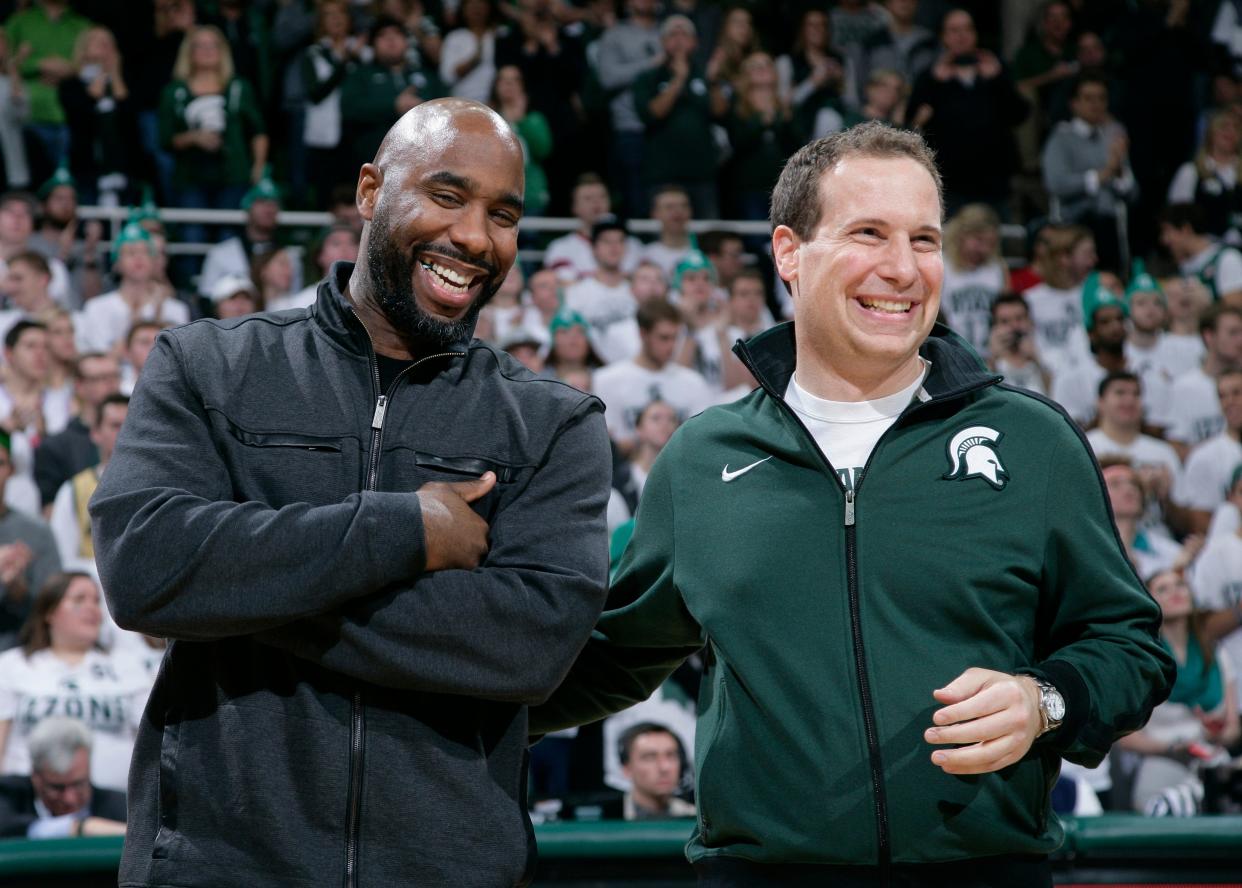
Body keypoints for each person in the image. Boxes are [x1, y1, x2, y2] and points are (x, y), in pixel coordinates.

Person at [530, 122, 1173, 883]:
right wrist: (417, 704)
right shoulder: (702, 460)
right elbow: (615, 654)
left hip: (985, 870)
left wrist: (1048, 701)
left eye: (924, 239)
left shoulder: (1031, 441)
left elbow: (1129, 646)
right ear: (788, 252)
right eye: (869, 233)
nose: (902, 268)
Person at [91, 98, 612, 887]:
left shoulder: (553, 424)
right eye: (446, 196)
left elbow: (529, 645)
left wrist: (239, 592)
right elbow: (146, 568)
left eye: (503, 215)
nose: (474, 237)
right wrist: (404, 530)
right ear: (371, 192)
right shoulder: (208, 365)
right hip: (215, 869)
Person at [0, 572, 148, 792]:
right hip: (29, 806)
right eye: (79, 600)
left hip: (116, 807)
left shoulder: (128, 666)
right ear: (49, 611)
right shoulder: (13, 665)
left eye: (96, 601)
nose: (92, 608)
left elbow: (149, 747)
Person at [1117, 570, 1239, 817]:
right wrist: (1173, 747)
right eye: (1163, 589)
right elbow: (1124, 737)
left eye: (1180, 585)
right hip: (1163, 765)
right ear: (1148, 600)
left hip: (1212, 764)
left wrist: (1218, 733)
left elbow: (1233, 731)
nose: (1175, 593)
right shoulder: (1141, 660)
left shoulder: (1216, 653)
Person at [632, 16, 726, 219]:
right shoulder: (648, 77)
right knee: (664, 235)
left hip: (702, 174)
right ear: (663, 42)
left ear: (695, 42)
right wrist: (679, 79)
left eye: (685, 34)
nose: (679, 39)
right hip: (662, 174)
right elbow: (652, 114)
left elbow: (720, 113)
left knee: (707, 237)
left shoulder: (704, 75)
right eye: (673, 34)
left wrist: (714, 81)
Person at [1040, 74, 1136, 273]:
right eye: (1089, 98)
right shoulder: (1061, 138)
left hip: (1110, 228)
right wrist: (1102, 175)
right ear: (1074, 103)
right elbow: (1056, 184)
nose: (1096, 104)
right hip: (1073, 226)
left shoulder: (1113, 134)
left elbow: (1132, 193)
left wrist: (1118, 172)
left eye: (1101, 98)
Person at [591, 297, 713, 453]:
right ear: (643, 334)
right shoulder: (607, 380)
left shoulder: (694, 382)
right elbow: (608, 443)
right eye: (664, 338)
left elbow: (702, 441)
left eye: (675, 338)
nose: (671, 346)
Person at [0, 716, 127, 838]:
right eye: (57, 788)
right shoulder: (8, 793)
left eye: (78, 784)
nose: (70, 799)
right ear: (36, 777)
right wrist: (80, 828)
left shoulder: (123, 806)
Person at [32, 351, 120, 513]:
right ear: (79, 386)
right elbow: (51, 511)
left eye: (114, 376)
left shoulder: (138, 436)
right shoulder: (55, 447)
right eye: (99, 378)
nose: (111, 384)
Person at [49, 394, 127, 575]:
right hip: (91, 591)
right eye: (115, 426)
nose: (124, 432)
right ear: (96, 433)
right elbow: (62, 559)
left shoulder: (156, 485)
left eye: (130, 424)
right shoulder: (73, 490)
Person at [0, 432, 60, 650]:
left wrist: (20, 593)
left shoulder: (37, 532)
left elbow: (54, 607)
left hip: (23, 651)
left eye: (0, 463)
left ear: (12, 470)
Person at [1173, 369, 1242, 536]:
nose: (1229, 402)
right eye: (1222, 396)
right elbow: (1201, 523)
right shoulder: (1205, 456)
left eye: (1237, 393)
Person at [563, 215, 639, 364]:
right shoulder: (576, 293)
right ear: (593, 248)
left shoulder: (638, 291)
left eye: (620, 241)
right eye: (607, 241)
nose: (614, 247)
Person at [542, 173, 643, 281]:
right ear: (574, 207)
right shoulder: (560, 248)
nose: (596, 202)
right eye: (588, 198)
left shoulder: (633, 245)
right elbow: (564, 288)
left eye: (602, 196)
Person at [939, 203, 1007, 357]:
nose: (984, 249)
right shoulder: (942, 265)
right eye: (979, 241)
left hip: (992, 356)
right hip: (952, 353)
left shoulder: (998, 268)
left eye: (990, 244)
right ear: (961, 235)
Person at [1167, 110, 1242, 248]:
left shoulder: (1238, 174)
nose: (1230, 132)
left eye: (1236, 128)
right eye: (1224, 127)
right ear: (1211, 132)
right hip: (1204, 252)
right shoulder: (1191, 172)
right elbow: (1176, 220)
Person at [1160, 202, 1242, 307]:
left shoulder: (1227, 259)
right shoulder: (1184, 267)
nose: (1164, 240)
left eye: (1167, 231)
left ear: (1185, 229)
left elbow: (1236, 309)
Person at [610, 721, 695, 821]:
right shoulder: (604, 818)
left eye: (671, 755)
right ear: (627, 768)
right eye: (650, 757)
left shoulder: (697, 821)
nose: (664, 767)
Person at [987, 291, 1050, 395]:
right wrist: (993, 360)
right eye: (1005, 321)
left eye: (1019, 318)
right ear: (994, 326)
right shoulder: (989, 364)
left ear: (1030, 321)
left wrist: (1037, 360)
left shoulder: (1046, 354)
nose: (1014, 326)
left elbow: (1055, 395)